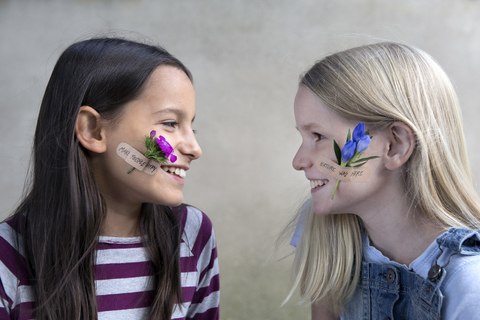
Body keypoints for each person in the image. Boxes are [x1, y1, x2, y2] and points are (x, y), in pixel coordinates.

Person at [0, 37, 219, 320]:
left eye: (192, 127)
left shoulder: (192, 235)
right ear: (92, 130)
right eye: (170, 124)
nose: (194, 149)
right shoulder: (8, 256)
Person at [286, 42, 480, 319]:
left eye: (318, 136)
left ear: (395, 145)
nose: (298, 161)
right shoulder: (327, 234)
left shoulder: (469, 285)